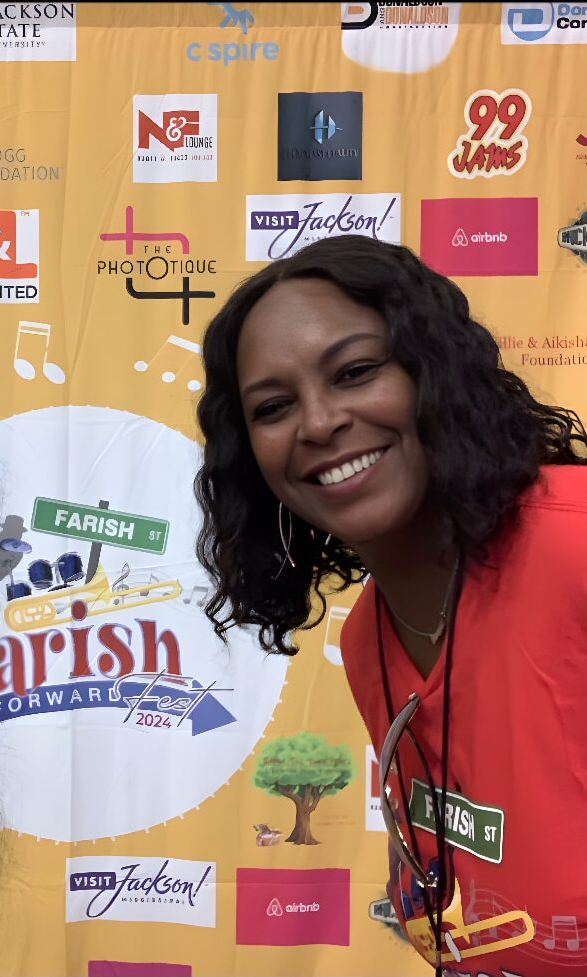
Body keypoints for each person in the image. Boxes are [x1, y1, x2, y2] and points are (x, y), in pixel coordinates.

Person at [194, 234, 587, 977]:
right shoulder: (374, 631)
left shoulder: (573, 544)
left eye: (356, 372)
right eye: (274, 406)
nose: (317, 422)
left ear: (433, 373)